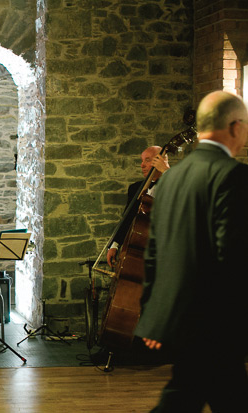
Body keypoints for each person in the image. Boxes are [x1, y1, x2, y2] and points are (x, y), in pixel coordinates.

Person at [134, 90, 248, 411]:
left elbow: (154, 253)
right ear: (236, 126)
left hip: (183, 323)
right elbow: (233, 259)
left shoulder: (172, 178)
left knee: (187, 394)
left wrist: (155, 316)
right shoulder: (235, 177)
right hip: (217, 325)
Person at [106, 146, 170, 267]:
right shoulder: (136, 188)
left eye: (147, 160)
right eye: (142, 160)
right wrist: (114, 245)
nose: (142, 165)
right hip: (140, 254)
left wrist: (167, 171)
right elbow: (127, 219)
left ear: (161, 160)